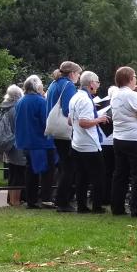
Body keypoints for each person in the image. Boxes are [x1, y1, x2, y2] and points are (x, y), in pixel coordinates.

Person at [109, 66, 137, 217]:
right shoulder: (132, 95)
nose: (136, 79)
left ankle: (117, 206)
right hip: (135, 138)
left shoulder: (115, 95)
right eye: (134, 76)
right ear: (129, 78)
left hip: (119, 138)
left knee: (120, 173)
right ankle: (136, 208)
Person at [64, 71, 109, 214]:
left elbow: (70, 121)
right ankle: (97, 206)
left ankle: (82, 205)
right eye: (97, 82)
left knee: (81, 177)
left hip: (77, 143)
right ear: (91, 84)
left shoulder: (75, 97)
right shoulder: (85, 100)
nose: (98, 85)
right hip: (89, 145)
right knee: (99, 177)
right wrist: (99, 119)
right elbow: (83, 122)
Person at [15, 75, 57, 209]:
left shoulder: (20, 101)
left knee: (30, 171)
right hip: (41, 142)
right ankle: (46, 198)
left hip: (26, 141)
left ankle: (31, 200)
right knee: (47, 171)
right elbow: (46, 122)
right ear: (37, 86)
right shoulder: (41, 101)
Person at [45, 62, 81, 211]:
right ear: (72, 73)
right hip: (65, 131)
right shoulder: (68, 86)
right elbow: (68, 110)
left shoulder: (54, 84)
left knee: (64, 166)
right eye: (78, 74)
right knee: (69, 167)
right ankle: (62, 201)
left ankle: (60, 198)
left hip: (55, 129)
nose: (79, 77)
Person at [0, 85, 28, 207]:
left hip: (9, 145)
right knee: (18, 174)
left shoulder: (6, 108)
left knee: (13, 173)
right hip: (17, 144)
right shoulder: (16, 109)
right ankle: (16, 201)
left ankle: (11, 200)